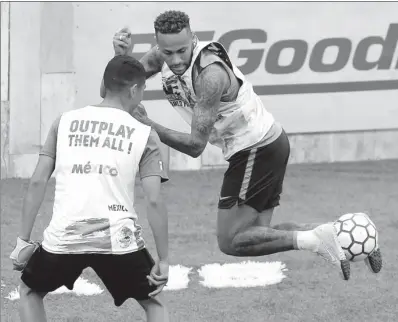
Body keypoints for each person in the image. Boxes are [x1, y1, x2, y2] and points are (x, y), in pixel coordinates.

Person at [104, 10, 382, 279]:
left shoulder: (209, 75)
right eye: (167, 52)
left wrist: (147, 124)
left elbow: (195, 146)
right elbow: (113, 92)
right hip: (267, 144)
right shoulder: (159, 56)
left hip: (255, 148)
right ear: (158, 46)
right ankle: (342, 233)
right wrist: (120, 58)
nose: (175, 60)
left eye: (182, 50)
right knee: (259, 236)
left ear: (194, 40)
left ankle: (317, 240)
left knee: (231, 241)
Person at [10, 56, 170, 322]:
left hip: (64, 236)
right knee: (155, 304)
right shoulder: (145, 134)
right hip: (119, 240)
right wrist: (163, 260)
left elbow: (37, 181)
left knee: (29, 290)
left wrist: (23, 241)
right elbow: (153, 200)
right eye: (142, 90)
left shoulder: (63, 122)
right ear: (134, 90)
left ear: (103, 85)